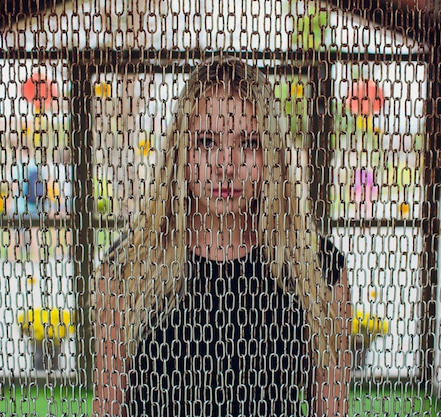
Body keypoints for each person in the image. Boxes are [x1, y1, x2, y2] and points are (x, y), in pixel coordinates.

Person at [94, 57, 351, 417]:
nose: (225, 165)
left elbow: (332, 407)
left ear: (271, 155)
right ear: (181, 152)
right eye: (206, 141)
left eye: (247, 143)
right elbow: (109, 407)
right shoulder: (124, 271)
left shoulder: (319, 271)